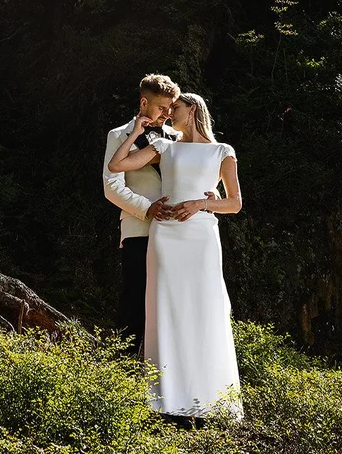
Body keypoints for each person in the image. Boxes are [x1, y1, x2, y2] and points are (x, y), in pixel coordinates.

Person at [108, 91, 243, 421]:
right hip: (166, 236)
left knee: (203, 308)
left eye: (176, 108)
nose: (169, 114)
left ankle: (207, 398)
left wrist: (202, 203)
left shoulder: (222, 151)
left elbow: (234, 203)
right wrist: (137, 132)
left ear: (192, 109)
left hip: (201, 236)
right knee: (165, 310)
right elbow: (117, 166)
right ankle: (166, 399)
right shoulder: (165, 146)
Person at [103, 74, 182, 355]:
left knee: (171, 304)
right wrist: (147, 208)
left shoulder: (179, 138)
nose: (167, 114)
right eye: (162, 108)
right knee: (134, 301)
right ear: (144, 102)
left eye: (171, 108)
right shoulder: (118, 136)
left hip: (177, 232)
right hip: (139, 229)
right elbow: (111, 187)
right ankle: (123, 371)